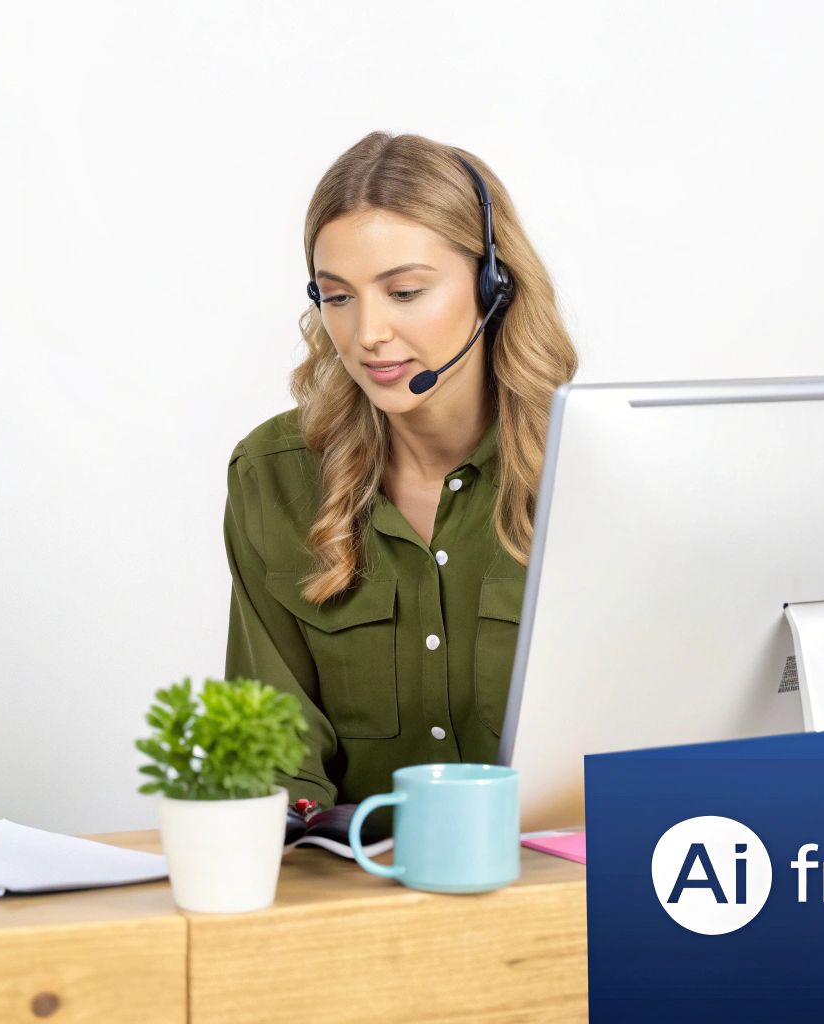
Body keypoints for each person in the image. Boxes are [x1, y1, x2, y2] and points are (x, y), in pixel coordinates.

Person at [224, 133, 579, 810]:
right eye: (338, 297)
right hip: (360, 888)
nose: (368, 334)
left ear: (492, 288)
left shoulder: (594, 468)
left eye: (406, 291)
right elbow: (271, 762)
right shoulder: (272, 476)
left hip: (561, 886)